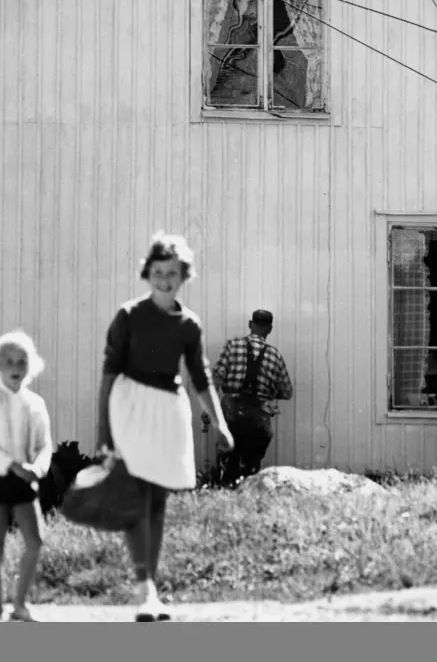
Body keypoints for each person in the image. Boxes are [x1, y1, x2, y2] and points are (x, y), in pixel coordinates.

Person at [98, 232, 234, 622]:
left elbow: (200, 376)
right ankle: (143, 588)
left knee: (157, 503)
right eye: (157, 272)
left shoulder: (189, 324)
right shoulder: (127, 316)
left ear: (183, 275)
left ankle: (151, 589)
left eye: (171, 273)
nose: (164, 280)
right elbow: (107, 378)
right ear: (148, 273)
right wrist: (104, 434)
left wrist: (220, 424)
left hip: (168, 410)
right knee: (135, 498)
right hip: (130, 406)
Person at [0, 331, 53, 623]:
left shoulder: (36, 404)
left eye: (21, 361)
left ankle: (19, 603)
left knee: (35, 540)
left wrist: (38, 469)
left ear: (30, 366)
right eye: (8, 362)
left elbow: (45, 445)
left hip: (25, 479)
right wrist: (13, 465)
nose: (15, 368)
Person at [210, 310, 293, 486]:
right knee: (252, 465)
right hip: (259, 416)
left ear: (250, 324)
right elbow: (287, 392)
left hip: (232, 411)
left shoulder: (233, 346)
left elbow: (216, 378)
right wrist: (269, 392)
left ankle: (225, 490)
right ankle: (248, 492)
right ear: (270, 329)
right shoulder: (275, 355)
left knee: (228, 460)